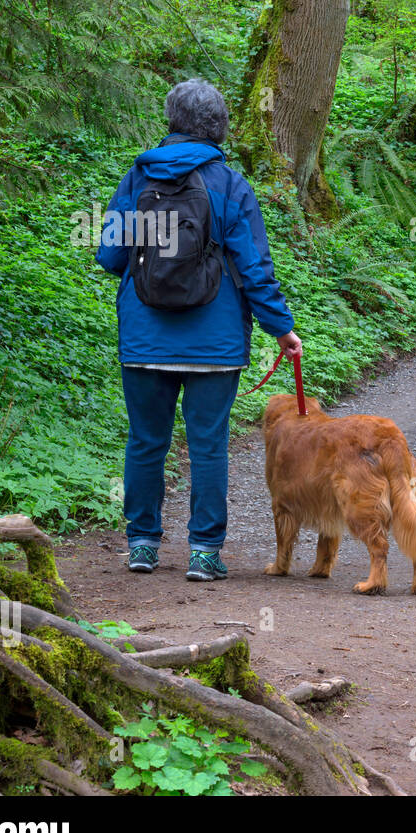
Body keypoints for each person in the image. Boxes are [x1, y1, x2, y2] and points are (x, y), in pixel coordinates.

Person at [96, 78, 301, 581]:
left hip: (145, 337)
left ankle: (142, 545)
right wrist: (282, 329)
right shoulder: (231, 185)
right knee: (208, 444)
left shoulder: (138, 177)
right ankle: (204, 554)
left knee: (147, 441)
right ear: (219, 127)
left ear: (171, 120)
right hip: (216, 340)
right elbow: (254, 268)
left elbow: (109, 255)